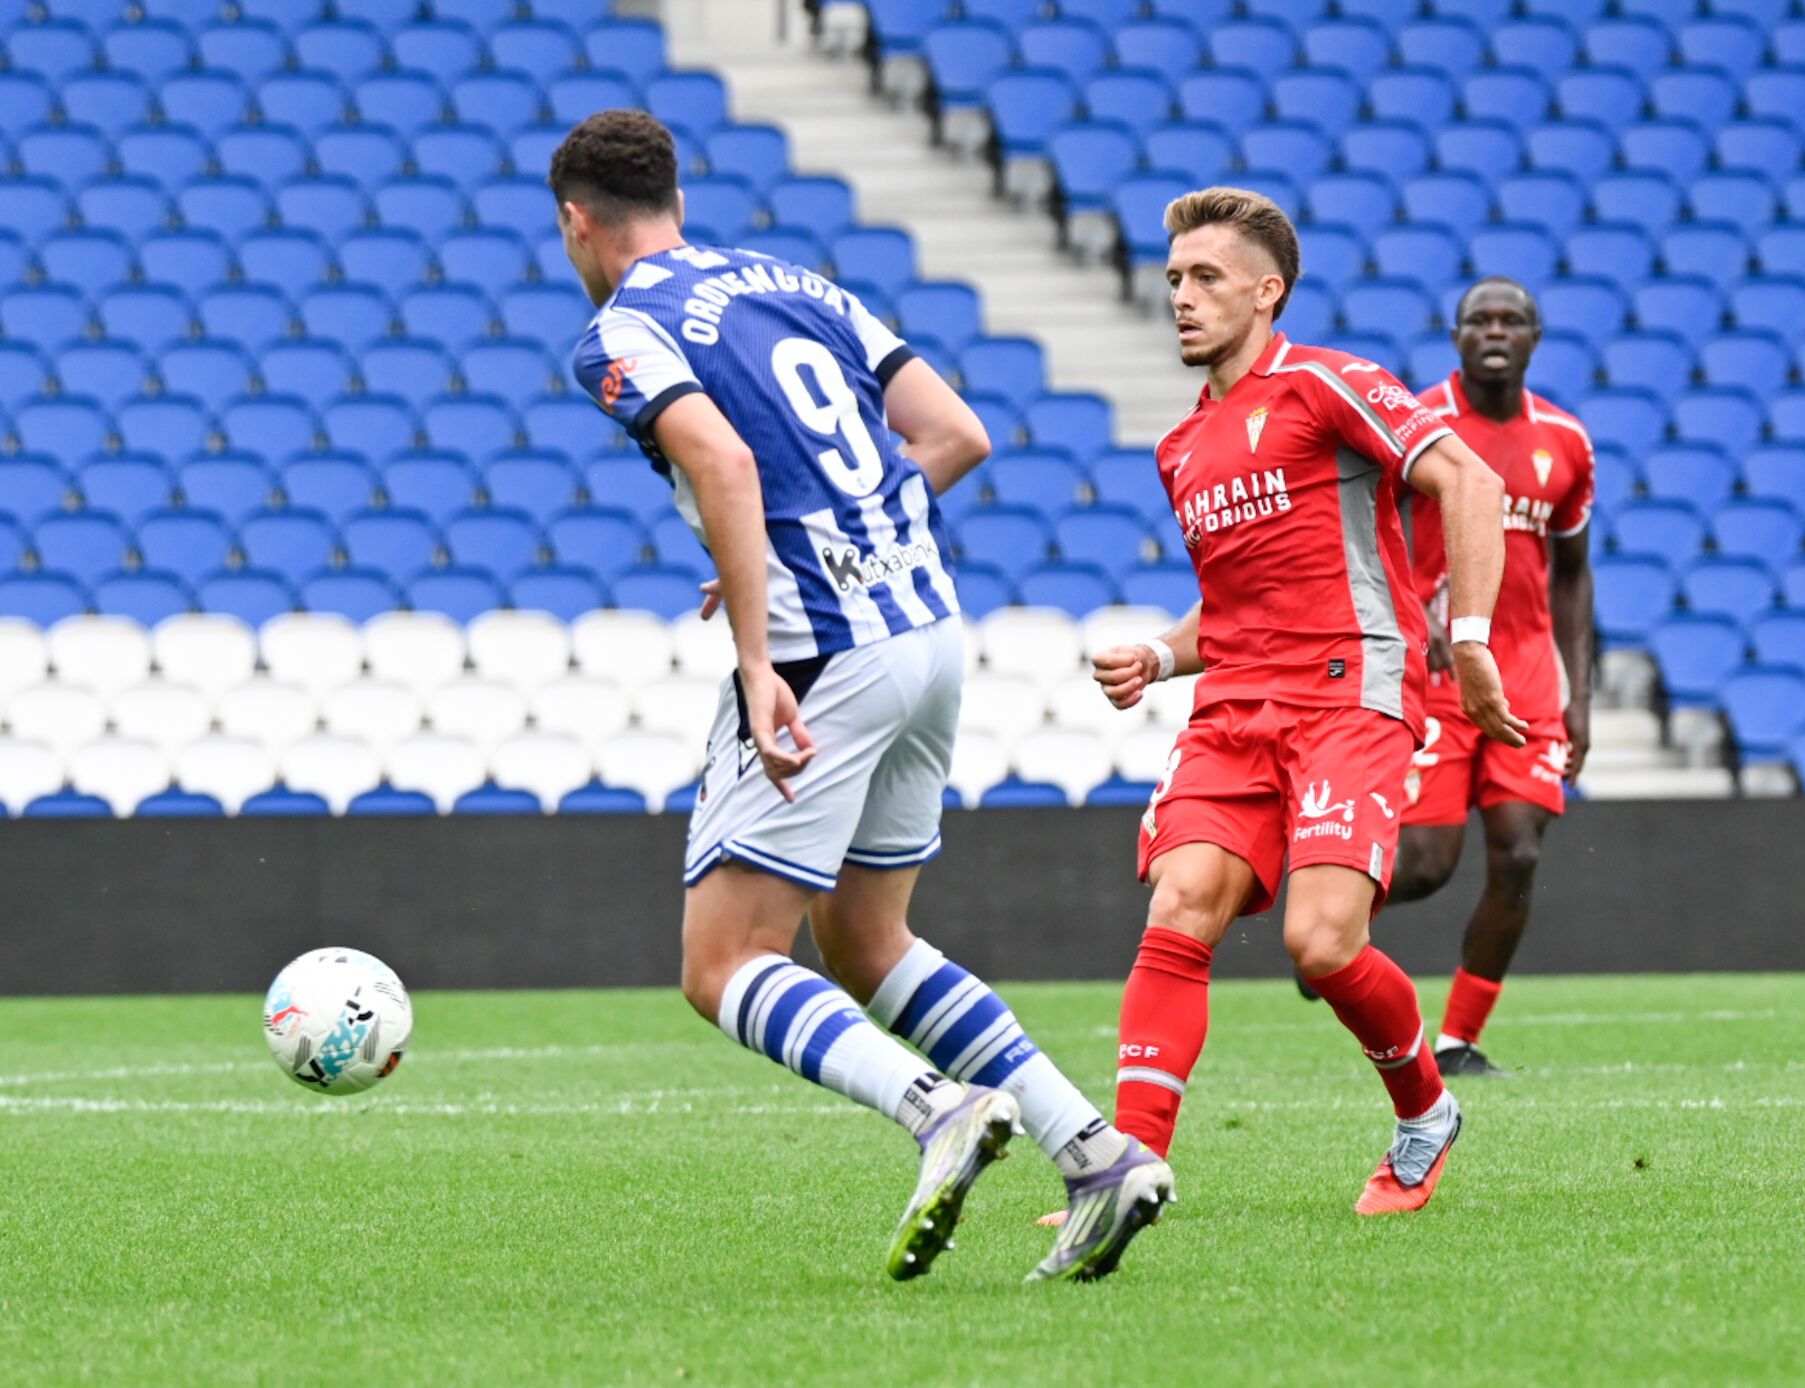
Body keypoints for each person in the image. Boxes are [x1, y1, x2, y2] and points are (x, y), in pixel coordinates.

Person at [553, 110, 1171, 1283]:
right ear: (674, 197)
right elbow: (956, 435)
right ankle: (1094, 1153)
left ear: (577, 222)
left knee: (721, 962)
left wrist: (753, 645)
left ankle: (938, 1110)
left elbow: (725, 461)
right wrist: (824, 540)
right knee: (866, 936)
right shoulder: (794, 280)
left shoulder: (615, 330)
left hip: (816, 653)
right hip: (926, 628)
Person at [1085, 188, 1524, 1217]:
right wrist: (1159, 650)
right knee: (1177, 907)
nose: (1181, 299)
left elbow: (1464, 479)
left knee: (1320, 942)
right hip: (1233, 709)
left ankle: (1423, 1111)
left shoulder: (1329, 384)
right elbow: (1235, 601)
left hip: (1347, 695)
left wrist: (1464, 640)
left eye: (1204, 279)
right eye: (1172, 281)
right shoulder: (1180, 448)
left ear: (1266, 290)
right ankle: (1125, 1170)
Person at [1370, 277, 1598, 1079]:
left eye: (1512, 320)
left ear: (1535, 338)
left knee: (1519, 853)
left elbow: (1571, 575)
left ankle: (1459, 1040)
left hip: (1530, 676)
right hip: (1436, 674)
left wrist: (1582, 697)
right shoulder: (1417, 425)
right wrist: (1414, 615)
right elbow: (1370, 530)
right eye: (1480, 319)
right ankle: (1329, 927)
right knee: (1427, 867)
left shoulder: (1565, 442)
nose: (1495, 331)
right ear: (1456, 334)